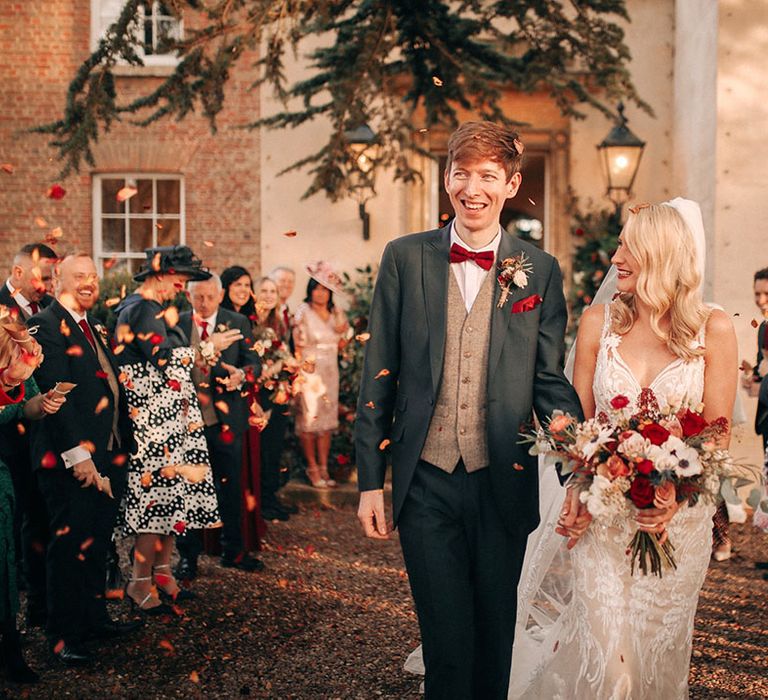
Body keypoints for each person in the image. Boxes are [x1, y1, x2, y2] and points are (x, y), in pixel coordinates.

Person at [355, 121, 583, 699]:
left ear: (510, 185)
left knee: (494, 643)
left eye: (488, 176)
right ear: (446, 178)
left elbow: (548, 381)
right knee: (446, 644)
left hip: (500, 482)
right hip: (424, 481)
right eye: (462, 173)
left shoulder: (540, 270)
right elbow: (378, 370)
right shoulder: (404, 258)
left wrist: (581, 471)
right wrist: (368, 483)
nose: (472, 188)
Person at [514, 201, 738, 699]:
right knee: (610, 659)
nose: (615, 257)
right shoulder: (598, 323)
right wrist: (577, 491)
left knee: (657, 655)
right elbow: (579, 428)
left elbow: (717, 432)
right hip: (606, 520)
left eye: (626, 245)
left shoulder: (714, 328)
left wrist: (674, 498)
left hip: (678, 523)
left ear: (660, 253)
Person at [27, 254, 139, 666]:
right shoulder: (45, 326)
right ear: (58, 280)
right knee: (68, 546)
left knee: (97, 543)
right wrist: (79, 457)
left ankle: (93, 620)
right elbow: (57, 397)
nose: (89, 282)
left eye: (93, 276)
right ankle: (62, 637)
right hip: (69, 460)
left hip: (108, 455)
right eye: (80, 277)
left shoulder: (92, 328)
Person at [115, 246, 235, 614]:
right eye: (179, 280)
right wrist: (206, 348)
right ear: (159, 274)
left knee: (172, 498)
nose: (182, 287)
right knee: (154, 501)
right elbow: (163, 358)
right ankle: (138, 581)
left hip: (172, 419)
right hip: (152, 423)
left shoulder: (156, 310)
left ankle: (163, 572)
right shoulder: (138, 309)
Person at [175, 273, 264, 577]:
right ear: (188, 297)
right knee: (188, 488)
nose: (204, 303)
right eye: (198, 297)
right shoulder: (177, 322)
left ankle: (234, 550)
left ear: (220, 293)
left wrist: (242, 375)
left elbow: (255, 362)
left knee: (230, 486)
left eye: (210, 296)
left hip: (226, 420)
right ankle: (188, 557)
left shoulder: (237, 321)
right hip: (187, 422)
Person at [0, 306, 65, 683]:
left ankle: (10, 649)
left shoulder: (22, 370)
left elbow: (32, 406)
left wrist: (46, 402)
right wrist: (13, 392)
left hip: (10, 471)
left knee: (8, 560)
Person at [0, 242, 57, 629]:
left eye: (53, 276)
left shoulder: (47, 312)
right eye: (44, 276)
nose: (48, 284)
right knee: (16, 515)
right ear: (19, 274)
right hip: (8, 438)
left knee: (38, 514)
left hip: (41, 423)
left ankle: (38, 602)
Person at [220, 266, 270, 543]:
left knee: (247, 464)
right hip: (219, 399)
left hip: (245, 394)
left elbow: (254, 362)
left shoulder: (247, 319)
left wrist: (247, 378)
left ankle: (245, 530)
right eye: (237, 284)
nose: (242, 290)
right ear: (225, 287)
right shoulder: (219, 317)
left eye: (246, 284)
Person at [294, 264, 349, 488]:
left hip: (330, 372)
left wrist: (343, 329)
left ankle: (325, 467)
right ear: (310, 290)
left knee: (326, 422)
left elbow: (343, 343)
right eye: (316, 288)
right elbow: (297, 344)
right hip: (310, 373)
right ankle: (312, 467)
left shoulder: (336, 313)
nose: (320, 293)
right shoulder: (303, 311)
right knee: (310, 420)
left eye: (325, 289)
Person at [271, 265, 296, 347]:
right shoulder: (266, 310)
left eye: (290, 281)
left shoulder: (288, 312)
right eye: (282, 280)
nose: (286, 285)